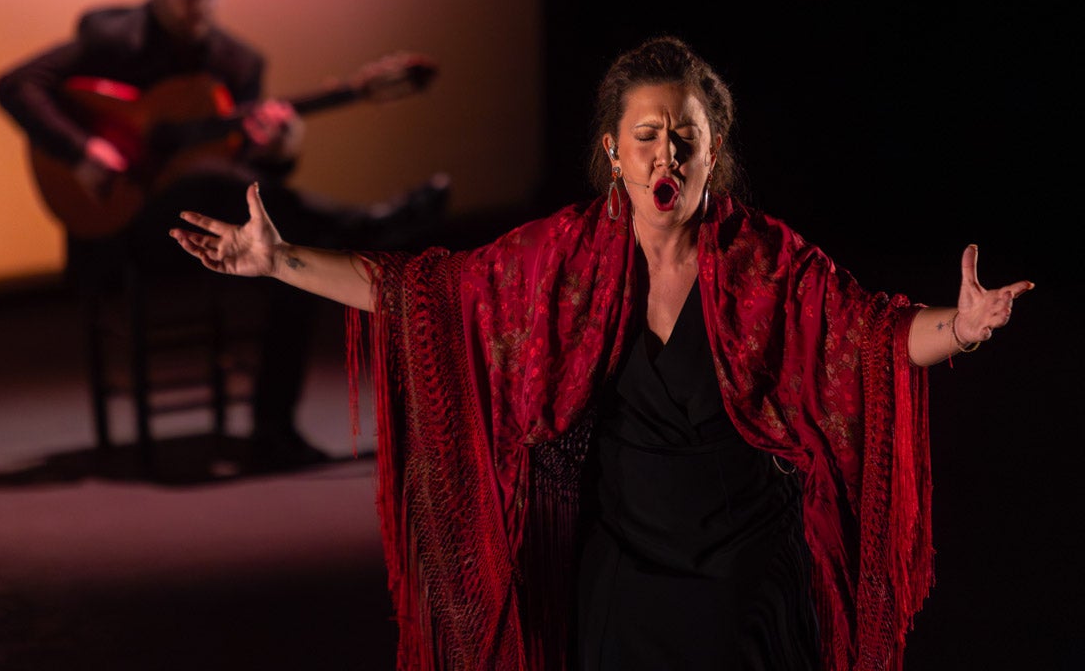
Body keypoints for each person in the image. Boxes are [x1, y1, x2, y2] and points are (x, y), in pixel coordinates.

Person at [170, 36, 1033, 670]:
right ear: (614, 154)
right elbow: (427, 298)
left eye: (687, 136)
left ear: (713, 156)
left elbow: (871, 339)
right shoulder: (566, 259)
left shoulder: (767, 262)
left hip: (744, 567)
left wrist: (957, 326)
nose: (669, 152)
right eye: (649, 135)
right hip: (625, 570)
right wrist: (277, 261)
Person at [0, 0, 448, 468]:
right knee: (226, 191)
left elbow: (257, 186)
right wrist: (82, 152)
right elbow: (15, 85)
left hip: (212, 232)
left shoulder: (238, 63)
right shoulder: (110, 37)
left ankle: (272, 429)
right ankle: (367, 227)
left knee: (285, 248)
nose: (200, 10)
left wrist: (278, 150)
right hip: (124, 229)